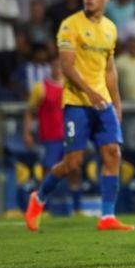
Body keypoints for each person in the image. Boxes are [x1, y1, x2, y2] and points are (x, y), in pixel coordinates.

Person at [25, 0, 133, 232]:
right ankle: (38, 198)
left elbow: (109, 70)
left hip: (103, 103)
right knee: (73, 162)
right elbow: (66, 65)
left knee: (113, 154)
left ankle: (107, 216)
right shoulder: (69, 25)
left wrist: (116, 102)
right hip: (76, 103)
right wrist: (89, 92)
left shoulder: (110, 28)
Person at [23, 54, 82, 215]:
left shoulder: (72, 87)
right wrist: (27, 132)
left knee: (75, 168)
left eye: (60, 65)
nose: (58, 69)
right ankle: (43, 207)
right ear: (50, 67)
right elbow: (29, 111)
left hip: (70, 136)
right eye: (55, 65)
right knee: (48, 171)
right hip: (50, 137)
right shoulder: (40, 87)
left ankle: (77, 208)